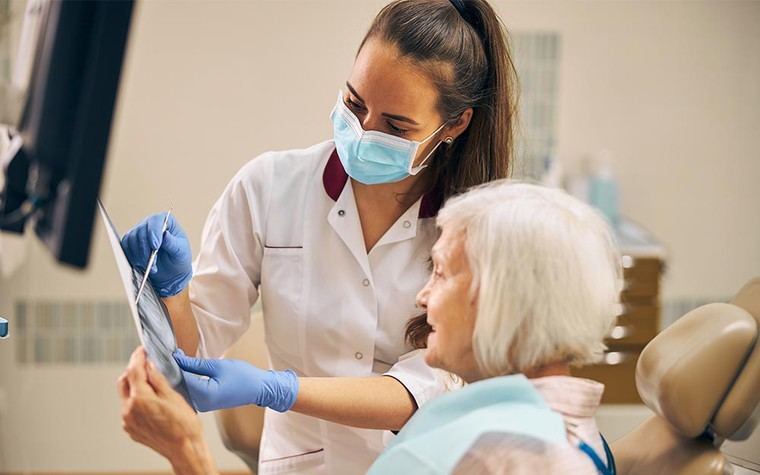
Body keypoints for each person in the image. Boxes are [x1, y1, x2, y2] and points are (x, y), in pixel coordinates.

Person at [120, 0, 517, 473]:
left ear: (454, 124)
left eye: (395, 126)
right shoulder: (269, 188)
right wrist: (173, 291)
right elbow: (194, 351)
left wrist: (280, 389)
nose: (363, 132)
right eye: (354, 103)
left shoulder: (474, 231)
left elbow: (427, 389)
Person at [119, 181, 622, 474]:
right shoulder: (546, 432)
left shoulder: (507, 457)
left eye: (441, 272)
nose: (423, 297)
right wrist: (175, 295)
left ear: (503, 300)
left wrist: (188, 453)